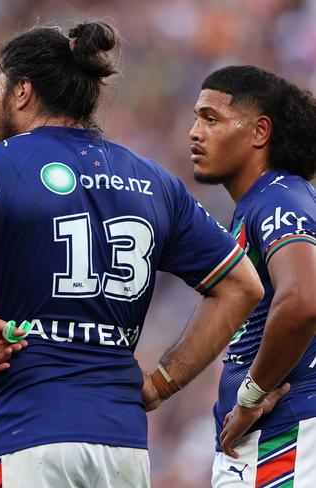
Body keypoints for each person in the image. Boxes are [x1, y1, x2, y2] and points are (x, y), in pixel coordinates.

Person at [0, 21, 263, 488]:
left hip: (29, 430)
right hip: (123, 443)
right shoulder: (154, 180)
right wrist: (163, 381)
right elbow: (242, 284)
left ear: (22, 91)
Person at [189, 65, 316, 487]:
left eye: (211, 118)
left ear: (259, 132)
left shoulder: (278, 199)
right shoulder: (266, 201)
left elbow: (302, 301)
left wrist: (250, 396)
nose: (194, 132)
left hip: (284, 438)